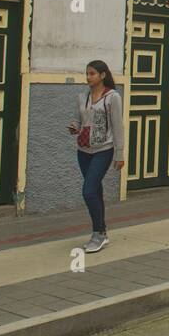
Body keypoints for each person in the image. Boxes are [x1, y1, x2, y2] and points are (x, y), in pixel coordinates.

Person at [68, 60, 124, 253]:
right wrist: (75, 126)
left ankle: (97, 233)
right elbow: (79, 119)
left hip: (104, 150)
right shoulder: (82, 97)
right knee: (95, 191)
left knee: (88, 191)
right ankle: (102, 232)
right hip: (83, 151)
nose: (88, 77)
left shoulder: (112, 97)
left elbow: (118, 126)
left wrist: (120, 153)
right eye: (87, 73)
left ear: (102, 75)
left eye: (92, 73)